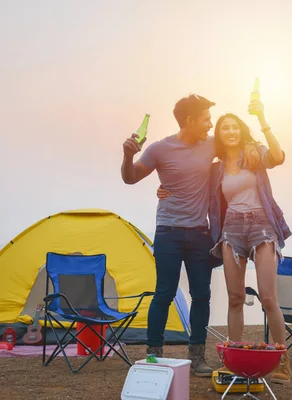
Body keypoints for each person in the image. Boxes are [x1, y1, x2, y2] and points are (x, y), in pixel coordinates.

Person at [121, 94, 259, 377]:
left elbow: (236, 142)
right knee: (164, 293)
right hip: (168, 232)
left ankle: (197, 358)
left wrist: (253, 140)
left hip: (200, 234)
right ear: (190, 121)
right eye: (207, 120)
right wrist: (127, 155)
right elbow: (131, 177)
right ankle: (153, 357)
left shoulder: (211, 146)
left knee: (201, 296)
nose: (210, 125)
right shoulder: (160, 149)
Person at [157, 99, 292, 383]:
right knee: (235, 298)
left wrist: (263, 120)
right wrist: (164, 189)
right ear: (218, 135)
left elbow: (279, 157)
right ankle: (236, 363)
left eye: (234, 127)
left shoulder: (253, 153)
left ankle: (283, 363)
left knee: (268, 298)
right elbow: (187, 182)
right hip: (231, 231)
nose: (229, 131)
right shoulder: (215, 168)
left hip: (261, 228)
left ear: (241, 130)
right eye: (224, 128)